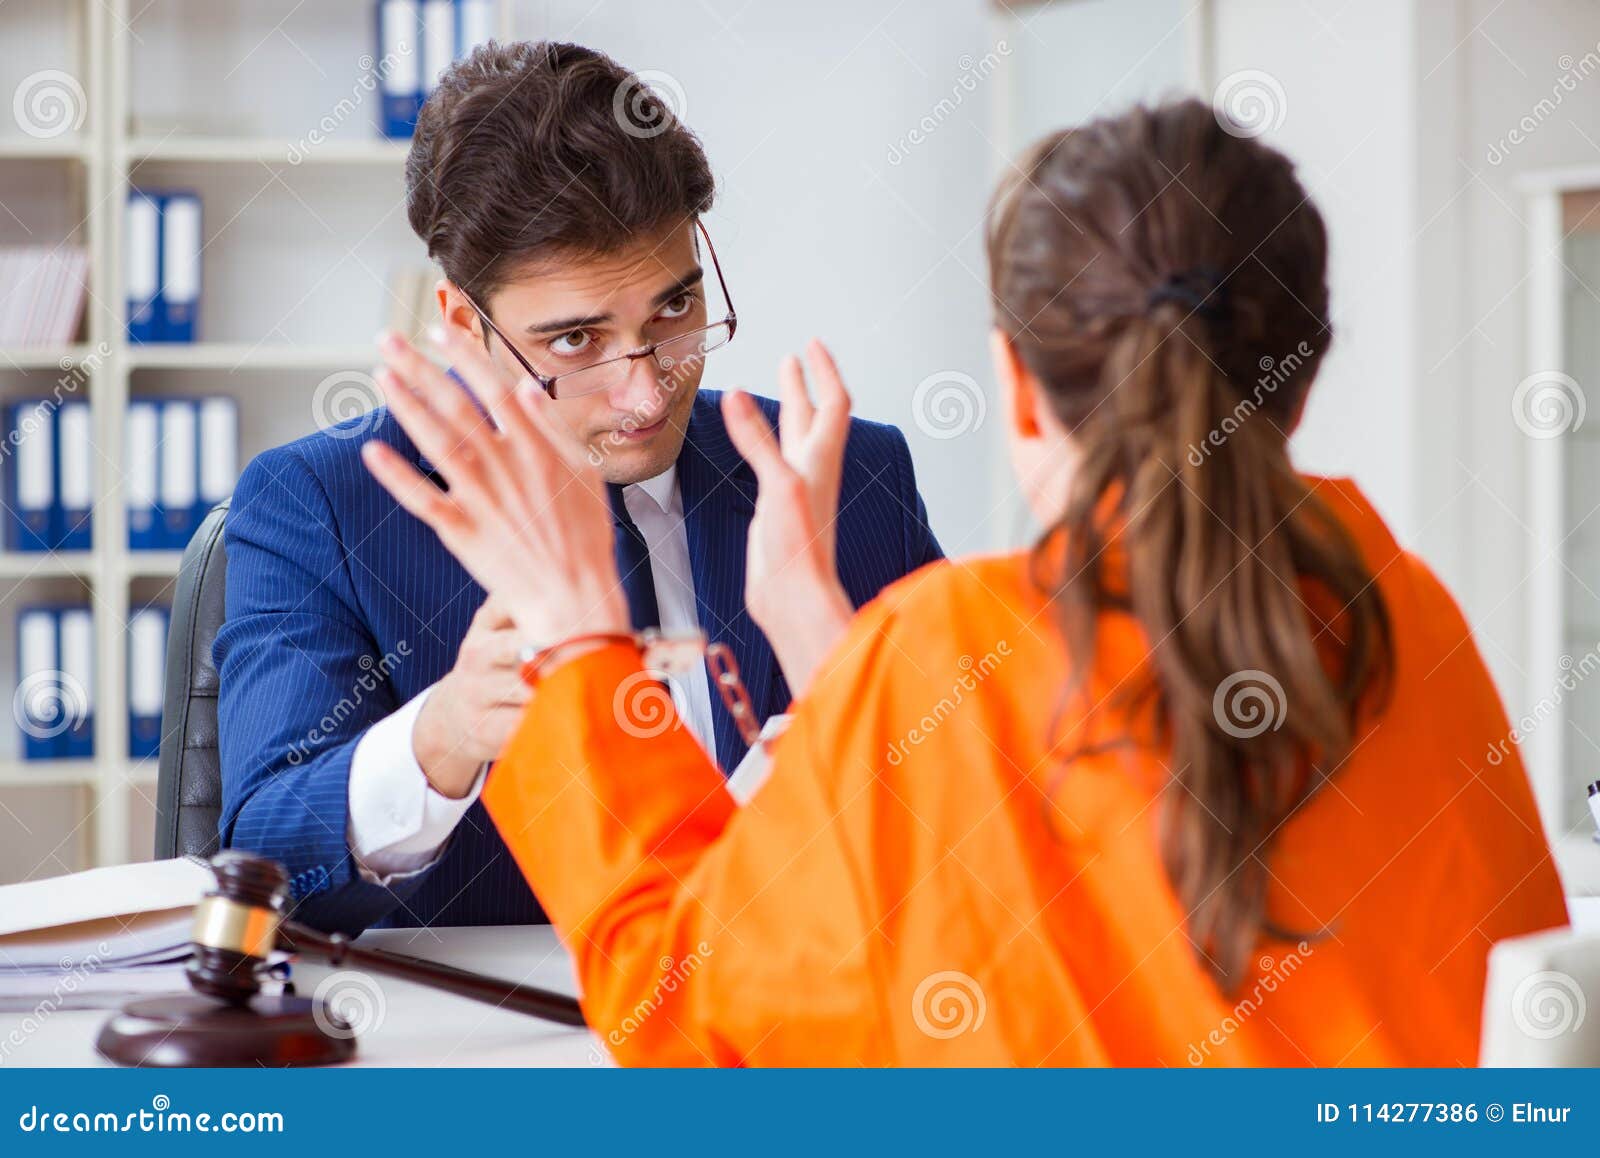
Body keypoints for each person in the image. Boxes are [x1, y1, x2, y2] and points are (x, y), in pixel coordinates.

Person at [365, 99, 1568, 1065]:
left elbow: (687, 1018)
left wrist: (583, 644)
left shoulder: (952, 649)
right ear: (1299, 378)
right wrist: (841, 667)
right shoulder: (1407, 612)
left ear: (1014, 379)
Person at [212, 41, 942, 935]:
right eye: (574, 343)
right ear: (460, 324)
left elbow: (984, 822)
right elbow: (260, 861)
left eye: (673, 309)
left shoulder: (847, 476)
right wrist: (442, 736)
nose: (645, 394)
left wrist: (856, 707)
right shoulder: (320, 504)